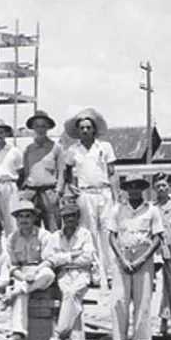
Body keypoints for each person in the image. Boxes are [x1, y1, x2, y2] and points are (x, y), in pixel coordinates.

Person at [106, 174, 164, 340]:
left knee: (143, 299)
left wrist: (143, 259)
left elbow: (157, 238)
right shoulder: (117, 209)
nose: (134, 190)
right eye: (131, 187)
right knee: (119, 299)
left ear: (143, 189)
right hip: (122, 257)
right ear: (126, 189)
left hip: (143, 257)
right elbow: (112, 236)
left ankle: (141, 339)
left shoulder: (152, 210)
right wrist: (122, 259)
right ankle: (120, 339)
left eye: (137, 186)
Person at [63, 108, 119, 290]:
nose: (85, 131)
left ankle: (110, 274)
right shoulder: (73, 150)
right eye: (82, 128)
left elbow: (112, 173)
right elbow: (67, 172)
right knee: (90, 233)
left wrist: (116, 196)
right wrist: (71, 186)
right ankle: (94, 273)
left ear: (94, 130)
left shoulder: (105, 147)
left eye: (88, 128)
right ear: (77, 131)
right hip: (85, 194)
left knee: (108, 233)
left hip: (104, 193)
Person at [0, 200, 56, 340]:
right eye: (20, 217)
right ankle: (18, 336)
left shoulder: (44, 235)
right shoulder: (12, 238)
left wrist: (35, 272)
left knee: (48, 274)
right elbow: (12, 266)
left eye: (27, 216)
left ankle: (16, 291)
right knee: (22, 294)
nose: (24, 220)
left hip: (40, 272)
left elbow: (49, 260)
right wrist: (24, 278)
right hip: (22, 275)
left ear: (34, 218)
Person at [44, 203, 95, 340]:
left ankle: (60, 333)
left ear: (78, 217)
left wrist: (63, 259)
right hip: (64, 274)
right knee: (71, 297)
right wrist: (72, 255)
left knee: (72, 294)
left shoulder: (85, 234)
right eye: (66, 216)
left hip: (82, 273)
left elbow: (88, 259)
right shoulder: (55, 237)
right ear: (61, 218)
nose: (69, 219)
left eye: (73, 215)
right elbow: (49, 257)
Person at [22, 110, 64, 231]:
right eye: (37, 126)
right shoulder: (28, 149)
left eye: (43, 126)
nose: (40, 129)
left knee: (53, 228)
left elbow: (62, 172)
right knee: (32, 229)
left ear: (48, 128)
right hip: (31, 193)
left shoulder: (56, 148)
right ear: (33, 128)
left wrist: (58, 192)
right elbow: (26, 172)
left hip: (49, 192)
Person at [151, 172, 171, 337]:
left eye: (164, 186)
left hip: (168, 250)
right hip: (153, 251)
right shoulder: (151, 208)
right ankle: (144, 323)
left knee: (169, 287)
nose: (161, 189)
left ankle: (165, 321)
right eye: (158, 186)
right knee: (148, 286)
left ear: (169, 188)